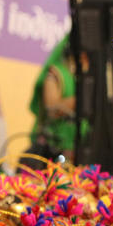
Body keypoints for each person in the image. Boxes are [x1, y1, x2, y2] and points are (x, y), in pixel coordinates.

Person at [28, 34, 89, 164]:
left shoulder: (89, 77)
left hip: (79, 155)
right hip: (51, 154)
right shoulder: (55, 73)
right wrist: (83, 100)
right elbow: (52, 108)